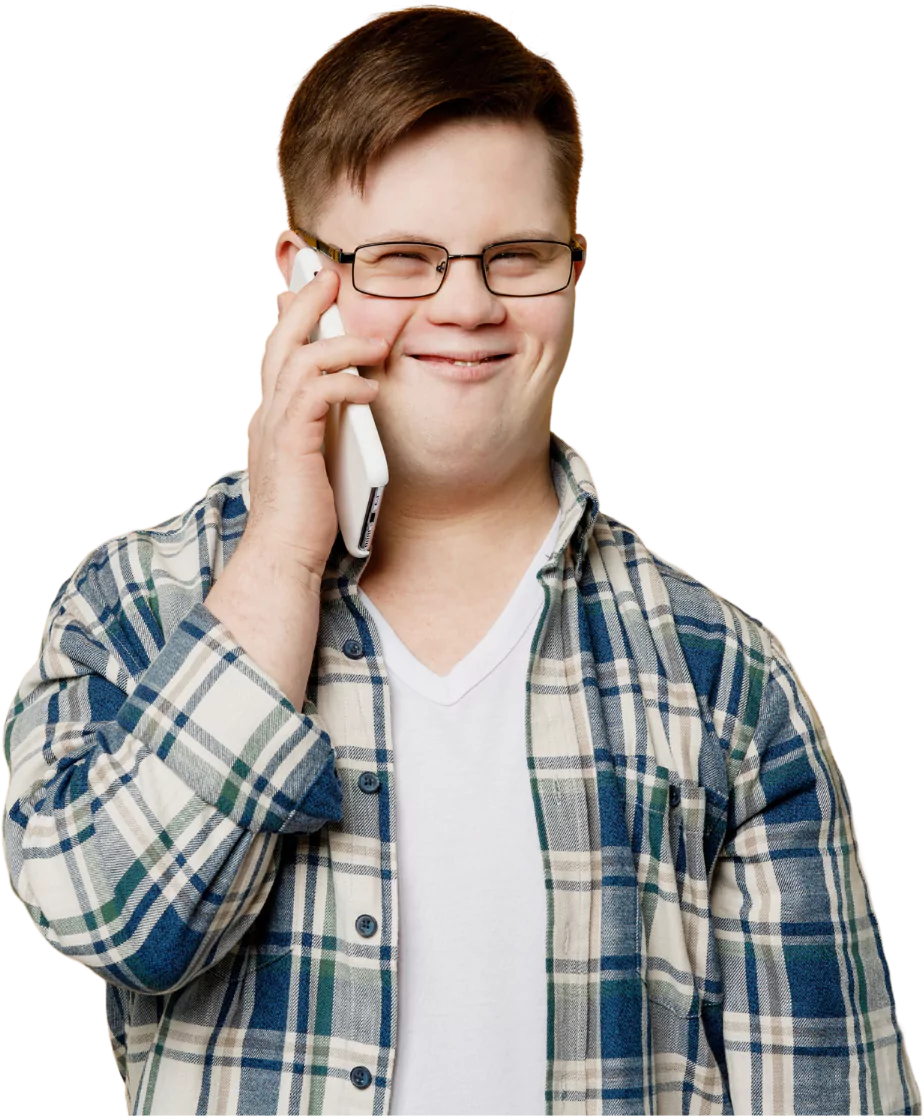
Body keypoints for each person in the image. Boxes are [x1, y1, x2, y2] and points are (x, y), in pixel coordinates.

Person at [2, 6, 918, 1114]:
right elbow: (107, 923)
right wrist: (284, 554)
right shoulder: (131, 606)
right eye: (402, 259)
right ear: (299, 275)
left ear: (575, 273)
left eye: (517, 257)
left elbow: (835, 1096)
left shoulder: (730, 676)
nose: (468, 304)